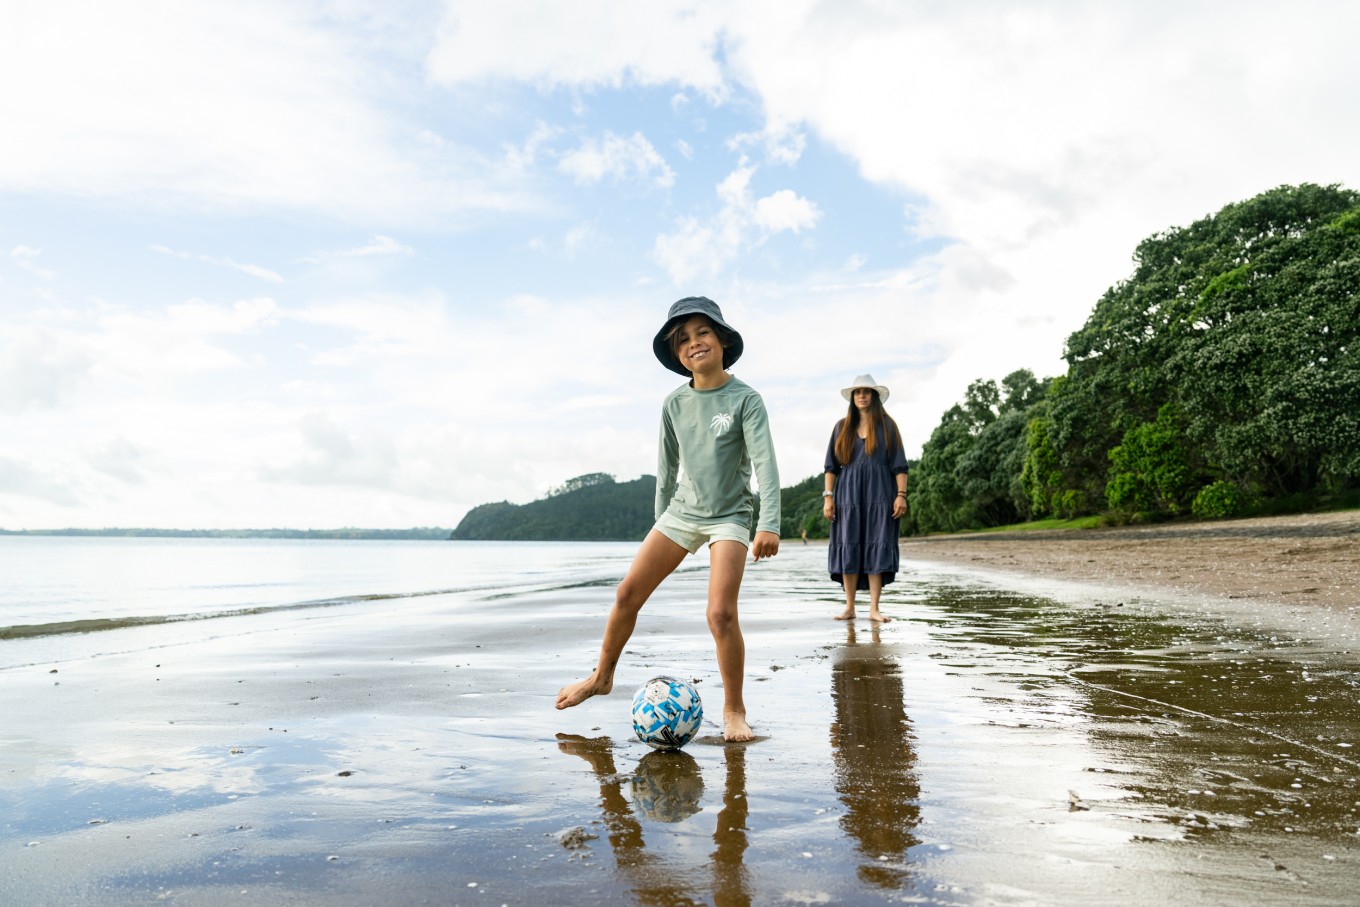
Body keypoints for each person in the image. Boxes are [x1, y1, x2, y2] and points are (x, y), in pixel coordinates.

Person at [556, 296, 781, 742]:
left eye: (702, 333)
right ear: (677, 354)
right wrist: (659, 527)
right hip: (681, 512)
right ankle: (601, 676)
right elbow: (667, 469)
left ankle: (734, 709)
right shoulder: (673, 404)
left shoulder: (745, 399)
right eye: (682, 340)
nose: (693, 343)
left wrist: (768, 523)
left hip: (730, 516)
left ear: (721, 339)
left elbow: (765, 466)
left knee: (720, 613)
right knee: (626, 594)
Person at [823, 374, 907, 622]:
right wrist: (828, 498)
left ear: (874, 396)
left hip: (881, 494)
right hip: (847, 496)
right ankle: (849, 606)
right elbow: (831, 467)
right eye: (857, 392)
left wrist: (901, 495)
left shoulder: (888, 426)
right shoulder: (841, 427)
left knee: (877, 546)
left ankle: (874, 609)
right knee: (848, 545)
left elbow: (900, 466)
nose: (861, 395)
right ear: (852, 397)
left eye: (866, 391)